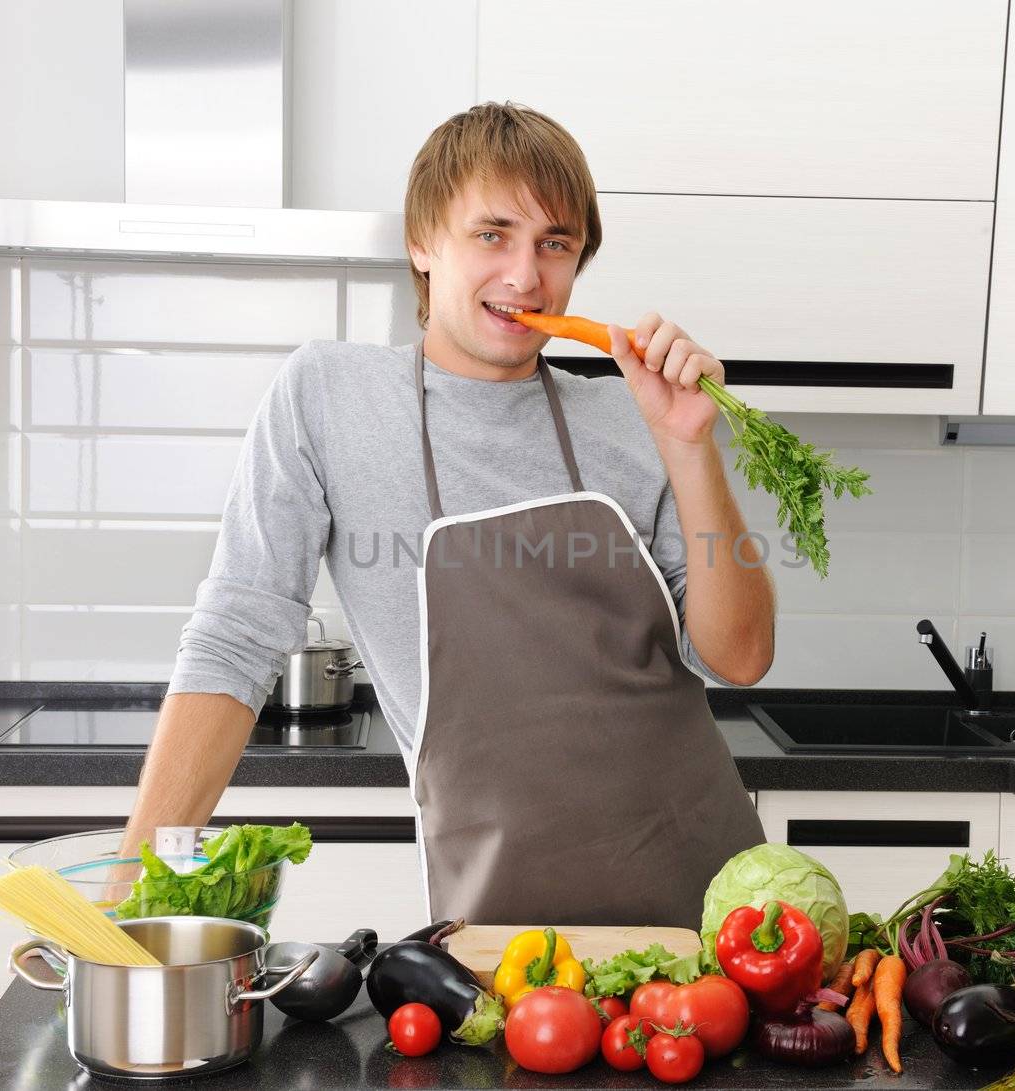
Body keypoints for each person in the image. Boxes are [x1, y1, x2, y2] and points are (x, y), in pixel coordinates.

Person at [120, 102, 775, 928]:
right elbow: (236, 635)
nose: (525, 276)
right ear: (423, 243)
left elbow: (742, 656)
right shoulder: (330, 399)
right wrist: (131, 890)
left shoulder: (635, 417)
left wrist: (689, 448)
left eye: (555, 244)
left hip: (711, 904)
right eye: (492, 234)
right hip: (500, 929)